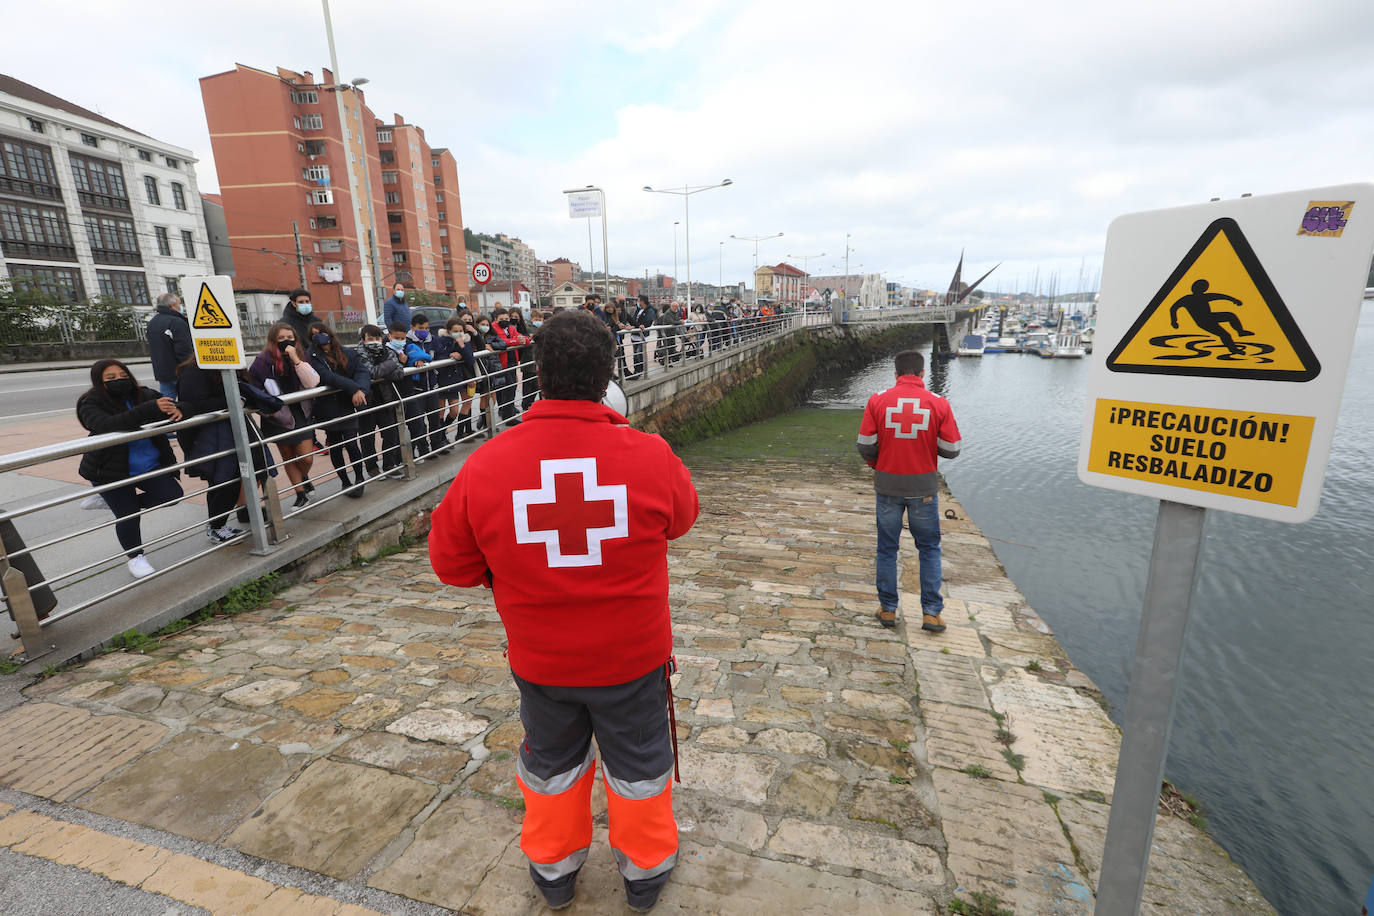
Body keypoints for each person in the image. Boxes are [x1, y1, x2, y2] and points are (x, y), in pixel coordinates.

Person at [429, 309, 698, 913]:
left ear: (538, 371)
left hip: (541, 662)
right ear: (607, 374)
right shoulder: (650, 455)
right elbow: (682, 518)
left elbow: (452, 565)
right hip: (632, 660)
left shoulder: (486, 464)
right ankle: (645, 874)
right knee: (640, 767)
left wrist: (506, 568)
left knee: (552, 765)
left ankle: (553, 872)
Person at [855, 349, 962, 631]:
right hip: (923, 487)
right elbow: (952, 449)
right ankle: (931, 613)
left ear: (896, 374)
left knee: (887, 549)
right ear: (923, 373)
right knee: (928, 549)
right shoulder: (938, 403)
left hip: (887, 485)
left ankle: (888, 610)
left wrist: (879, 464)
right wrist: (927, 445)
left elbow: (865, 444)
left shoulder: (877, 400)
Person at [76, 360, 184, 578]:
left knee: (172, 495)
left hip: (148, 465)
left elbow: (176, 405)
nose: (119, 380)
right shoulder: (90, 402)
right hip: (109, 471)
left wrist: (180, 410)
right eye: (111, 378)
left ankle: (113, 502)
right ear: (99, 382)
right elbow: (105, 425)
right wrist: (148, 410)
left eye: (123, 375)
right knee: (128, 515)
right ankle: (135, 558)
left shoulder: (144, 394)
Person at [248, 323, 321, 510]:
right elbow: (254, 390)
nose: (286, 341)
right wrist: (267, 409)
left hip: (301, 412)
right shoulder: (261, 362)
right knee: (288, 456)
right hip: (277, 416)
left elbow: (313, 382)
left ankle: (303, 477)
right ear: (273, 340)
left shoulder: (302, 356)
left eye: (290, 337)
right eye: (281, 338)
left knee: (306, 457)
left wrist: (296, 360)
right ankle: (300, 494)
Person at [175, 359, 247, 542]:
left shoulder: (226, 366)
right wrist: (232, 400)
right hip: (206, 437)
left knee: (228, 482)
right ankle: (215, 526)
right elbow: (196, 404)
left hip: (225, 433)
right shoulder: (193, 372)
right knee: (222, 481)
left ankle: (218, 524)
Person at [305, 322, 370, 498]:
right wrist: (354, 388)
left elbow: (362, 371)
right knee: (334, 445)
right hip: (327, 408)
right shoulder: (311, 356)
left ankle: (359, 478)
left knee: (351, 443)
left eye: (322, 332)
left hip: (347, 405)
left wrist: (361, 390)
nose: (319, 336)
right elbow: (327, 377)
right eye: (314, 334)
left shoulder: (345, 352)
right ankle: (345, 482)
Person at [354, 324, 405, 478]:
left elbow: (399, 373)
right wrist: (390, 365)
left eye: (377, 338)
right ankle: (372, 467)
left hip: (385, 398)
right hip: (366, 401)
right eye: (370, 338)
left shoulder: (387, 351)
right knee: (367, 437)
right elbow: (371, 372)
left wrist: (384, 370)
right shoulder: (357, 354)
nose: (374, 341)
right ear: (363, 340)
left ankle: (389, 465)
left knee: (390, 433)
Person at [145, 292, 192, 400]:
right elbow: (184, 349)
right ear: (172, 306)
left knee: (167, 400)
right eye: (179, 304)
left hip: (162, 370)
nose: (181, 307)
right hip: (179, 370)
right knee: (188, 400)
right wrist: (189, 369)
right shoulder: (177, 322)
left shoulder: (152, 322)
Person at [631, 294, 658, 379]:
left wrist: (637, 326)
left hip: (642, 336)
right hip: (635, 335)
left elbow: (648, 322)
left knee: (639, 353)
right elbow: (633, 319)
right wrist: (632, 325)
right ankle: (636, 371)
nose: (637, 302)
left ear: (642, 301)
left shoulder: (649, 310)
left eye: (638, 301)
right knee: (635, 354)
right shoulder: (638, 310)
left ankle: (640, 370)